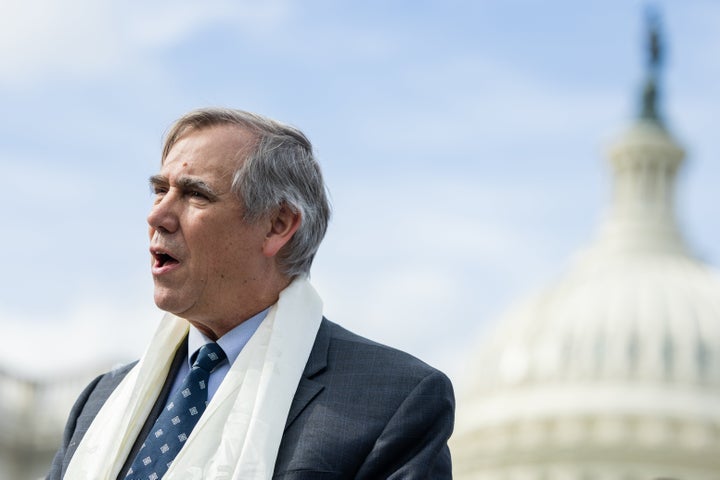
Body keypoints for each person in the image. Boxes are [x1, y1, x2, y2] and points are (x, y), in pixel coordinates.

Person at [47, 107, 455, 479]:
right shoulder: (101, 400)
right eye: (159, 189)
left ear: (277, 225)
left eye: (195, 194)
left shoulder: (391, 402)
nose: (157, 215)